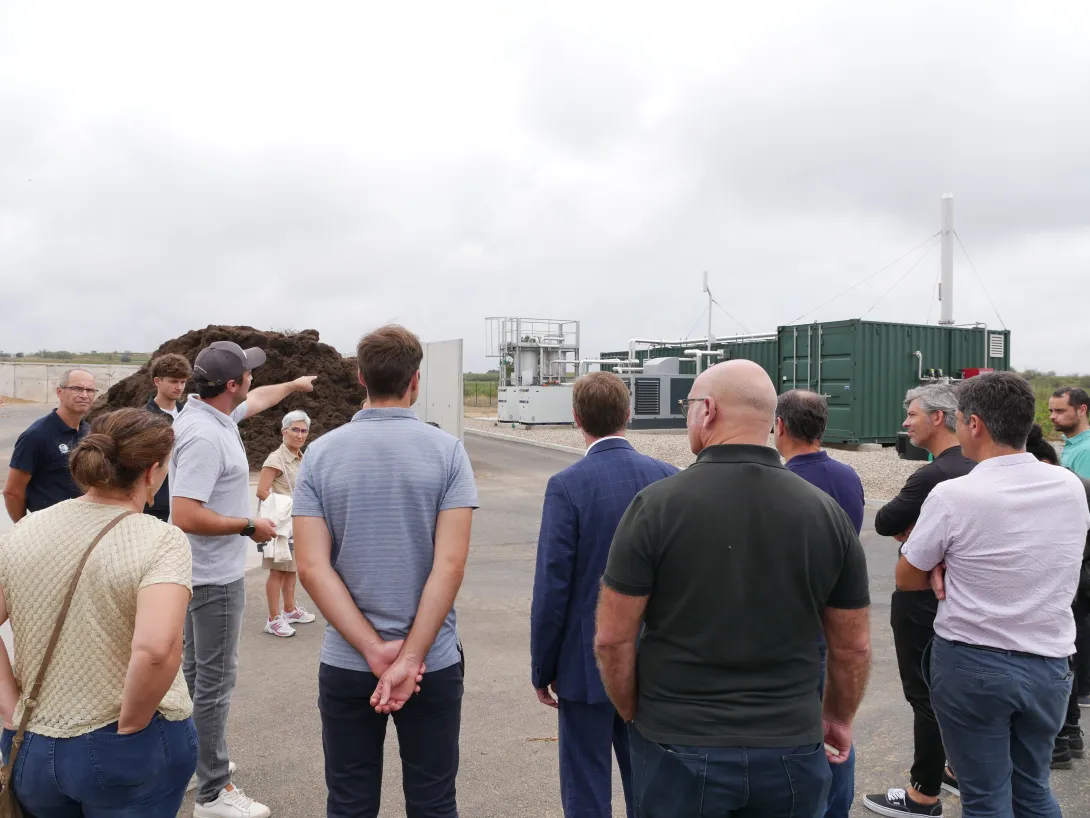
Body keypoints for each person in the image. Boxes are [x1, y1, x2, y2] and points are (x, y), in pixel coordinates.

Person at [595, 360, 871, 818]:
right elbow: (853, 646)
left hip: (677, 744)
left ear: (708, 412)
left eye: (688, 406)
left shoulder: (656, 507)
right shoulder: (824, 513)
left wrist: (632, 712)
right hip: (790, 749)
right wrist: (839, 718)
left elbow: (612, 637)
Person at [294, 324, 478, 818]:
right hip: (432, 663)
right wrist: (412, 656)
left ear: (360, 377)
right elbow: (450, 563)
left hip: (350, 661)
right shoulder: (448, 452)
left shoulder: (320, 454)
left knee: (350, 802)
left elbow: (311, 566)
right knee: (434, 800)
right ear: (416, 380)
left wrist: (376, 651)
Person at [898, 372, 1090, 818]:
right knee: (1033, 790)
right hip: (1049, 664)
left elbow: (909, 576)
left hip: (973, 663)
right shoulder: (1070, 488)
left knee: (985, 796)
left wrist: (941, 562)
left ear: (975, 424)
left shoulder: (953, 494)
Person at [0, 408, 197, 816]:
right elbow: (158, 650)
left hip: (30, 739)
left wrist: (9, 709)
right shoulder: (160, 540)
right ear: (153, 470)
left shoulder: (28, 528)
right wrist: (130, 727)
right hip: (122, 742)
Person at [169, 340, 316, 818]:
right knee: (214, 681)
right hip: (213, 576)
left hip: (202, 572)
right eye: (248, 373)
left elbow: (259, 400)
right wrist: (249, 525)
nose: (253, 378)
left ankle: (194, 761)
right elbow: (186, 513)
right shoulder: (205, 436)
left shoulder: (213, 415)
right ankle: (213, 791)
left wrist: (293, 386)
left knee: (195, 674)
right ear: (230, 384)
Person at [530, 371, 678, 818]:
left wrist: (544, 666)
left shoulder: (567, 486)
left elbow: (553, 585)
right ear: (629, 414)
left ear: (577, 418)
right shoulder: (667, 478)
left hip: (584, 663)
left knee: (585, 785)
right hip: (654, 664)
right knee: (649, 785)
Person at [865, 383, 973, 817]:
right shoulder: (978, 465)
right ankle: (956, 769)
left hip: (923, 600)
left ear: (938, 418)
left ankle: (922, 794)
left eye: (911, 414)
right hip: (965, 599)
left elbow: (885, 519)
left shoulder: (934, 475)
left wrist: (920, 539)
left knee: (925, 695)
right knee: (957, 689)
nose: (905, 422)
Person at [774, 389, 864, 818]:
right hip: (839, 619)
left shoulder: (779, 483)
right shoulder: (848, 477)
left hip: (792, 629)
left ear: (781, 426)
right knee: (836, 728)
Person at [3, 368, 96, 522]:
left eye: (90, 390)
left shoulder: (89, 432)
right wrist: (23, 527)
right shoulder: (36, 436)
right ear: (60, 392)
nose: (84, 395)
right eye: (77, 389)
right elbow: (12, 492)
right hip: (48, 527)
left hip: (82, 525)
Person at [256, 409, 317, 637]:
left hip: (296, 524)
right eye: (295, 430)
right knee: (277, 570)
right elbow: (262, 491)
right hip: (280, 525)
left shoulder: (302, 457)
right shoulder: (276, 459)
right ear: (284, 431)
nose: (300, 435)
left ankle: (290, 609)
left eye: (304, 431)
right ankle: (273, 618)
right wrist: (286, 505)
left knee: (291, 568)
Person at [144, 352, 192, 522]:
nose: (179, 387)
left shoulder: (190, 414)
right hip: (157, 505)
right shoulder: (144, 418)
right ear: (157, 381)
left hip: (186, 500)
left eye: (183, 382)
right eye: (173, 381)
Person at [1050, 386, 1090, 478]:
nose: (1052, 416)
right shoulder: (1074, 443)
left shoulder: (1086, 450)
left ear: (1082, 410)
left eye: (1059, 411)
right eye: (1051, 411)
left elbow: (1083, 491)